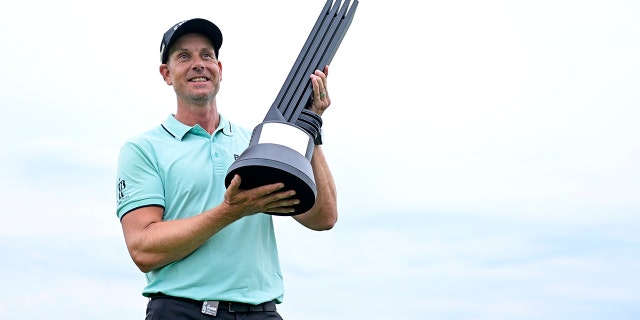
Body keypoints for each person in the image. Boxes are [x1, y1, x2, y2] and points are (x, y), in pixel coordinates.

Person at [115, 18, 338, 320]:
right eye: (184, 56)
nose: (198, 64)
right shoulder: (144, 149)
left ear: (220, 69)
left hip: (261, 312)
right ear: (166, 74)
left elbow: (323, 217)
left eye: (206, 55)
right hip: (181, 311)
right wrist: (229, 211)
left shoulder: (257, 143)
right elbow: (143, 249)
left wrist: (311, 126)